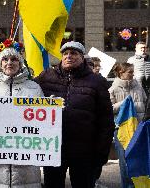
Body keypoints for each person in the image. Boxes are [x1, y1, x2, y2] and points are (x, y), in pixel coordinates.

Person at [35, 41, 115, 188]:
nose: (69, 56)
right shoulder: (46, 77)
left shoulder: (97, 82)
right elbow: (27, 96)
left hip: (85, 151)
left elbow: (106, 120)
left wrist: (102, 152)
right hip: (53, 149)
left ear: (82, 57)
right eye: (65, 53)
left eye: (74, 53)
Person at [0, 39, 43, 187]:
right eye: (5, 59)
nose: (9, 63)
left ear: (20, 63)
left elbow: (43, 124)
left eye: (14, 59)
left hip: (26, 168)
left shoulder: (34, 88)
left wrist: (52, 109)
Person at [109, 62, 146, 188]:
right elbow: (109, 109)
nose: (132, 74)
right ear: (121, 73)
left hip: (139, 127)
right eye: (129, 72)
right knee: (125, 160)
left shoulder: (138, 86)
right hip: (122, 129)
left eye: (133, 72)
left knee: (139, 158)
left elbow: (145, 103)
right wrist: (124, 103)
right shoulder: (113, 89)